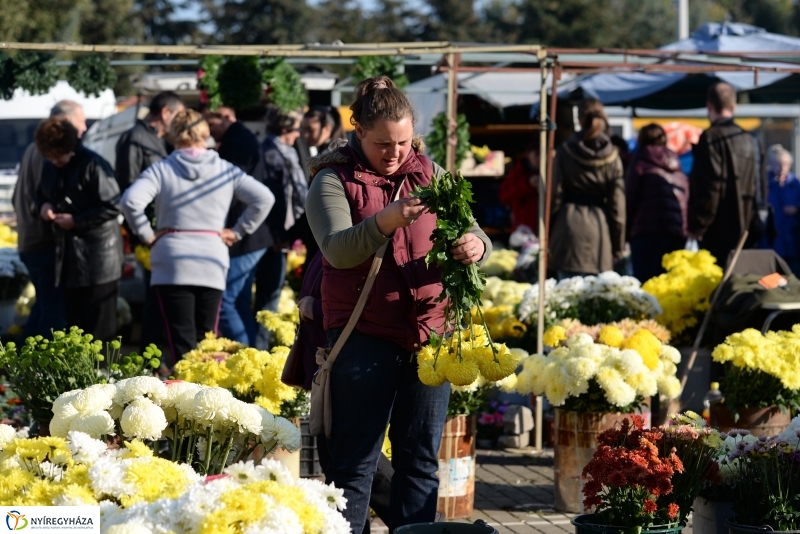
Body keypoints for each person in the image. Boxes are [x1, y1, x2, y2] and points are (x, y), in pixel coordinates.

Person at [305, 76, 493, 533]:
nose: (394, 153)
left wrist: (477, 246)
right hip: (363, 335)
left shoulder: (430, 173)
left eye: (403, 143)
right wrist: (384, 220)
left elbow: (473, 229)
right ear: (358, 130)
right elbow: (337, 250)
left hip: (431, 337)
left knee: (421, 462)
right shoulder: (332, 180)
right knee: (355, 465)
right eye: (383, 144)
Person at [120, 110, 274, 366]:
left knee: (180, 341)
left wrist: (146, 234)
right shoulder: (225, 169)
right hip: (211, 258)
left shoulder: (162, 169)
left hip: (171, 260)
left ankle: (184, 388)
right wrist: (237, 231)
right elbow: (264, 198)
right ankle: (205, 389)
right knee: (207, 340)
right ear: (205, 133)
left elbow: (130, 200)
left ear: (173, 135)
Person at [34, 117, 123, 341]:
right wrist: (43, 206)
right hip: (69, 261)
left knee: (100, 331)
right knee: (75, 331)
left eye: (58, 156)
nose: (54, 161)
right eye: (49, 157)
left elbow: (114, 205)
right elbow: (39, 195)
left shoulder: (94, 164)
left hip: (99, 260)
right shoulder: (49, 167)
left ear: (70, 147)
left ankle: (104, 366)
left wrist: (77, 220)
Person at [116, 91, 185, 355]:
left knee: (164, 299)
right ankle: (150, 358)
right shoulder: (134, 138)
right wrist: (143, 233)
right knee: (155, 300)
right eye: (177, 115)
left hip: (164, 232)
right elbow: (129, 189)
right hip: (149, 235)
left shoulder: (161, 141)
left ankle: (160, 356)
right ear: (165, 112)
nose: (179, 121)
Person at [13, 100, 85, 338]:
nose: (84, 127)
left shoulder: (32, 149)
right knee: (53, 313)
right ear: (64, 122)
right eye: (81, 121)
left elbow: (17, 197)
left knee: (44, 306)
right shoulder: (50, 152)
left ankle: (24, 357)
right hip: (43, 242)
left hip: (29, 240)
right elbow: (47, 197)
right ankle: (38, 360)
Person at [205, 107, 269, 346]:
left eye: (211, 124)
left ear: (225, 116)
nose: (209, 131)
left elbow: (228, 193)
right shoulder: (241, 137)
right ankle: (252, 355)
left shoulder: (236, 143)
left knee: (224, 303)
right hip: (253, 237)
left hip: (246, 238)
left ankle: (245, 354)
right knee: (239, 301)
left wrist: (236, 230)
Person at [550, 98, 625, 279]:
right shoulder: (613, 156)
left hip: (567, 228)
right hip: (599, 233)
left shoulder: (564, 151)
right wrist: (618, 247)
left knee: (566, 293)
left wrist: (550, 232)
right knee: (596, 294)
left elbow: (554, 196)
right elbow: (618, 208)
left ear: (579, 119)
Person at [688, 82, 759, 265]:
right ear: (734, 106)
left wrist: (698, 226)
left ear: (709, 105)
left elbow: (709, 187)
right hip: (748, 231)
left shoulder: (710, 137)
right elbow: (761, 187)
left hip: (718, 232)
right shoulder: (751, 139)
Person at [253, 107, 306, 323]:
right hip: (274, 238)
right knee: (269, 299)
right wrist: (282, 235)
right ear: (284, 128)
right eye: (296, 129)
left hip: (279, 236)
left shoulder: (282, 151)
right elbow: (277, 199)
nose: (298, 134)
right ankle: (262, 341)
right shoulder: (272, 154)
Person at [626, 123, 689, 282]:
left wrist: (625, 234)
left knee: (646, 287)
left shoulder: (639, 163)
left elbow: (629, 200)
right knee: (670, 287)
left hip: (645, 235)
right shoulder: (677, 165)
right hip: (675, 234)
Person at [766, 144, 800, 273]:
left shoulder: (795, 183)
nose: (782, 168)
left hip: (793, 241)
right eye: (778, 164)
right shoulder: (765, 184)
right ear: (771, 164)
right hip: (771, 240)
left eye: (786, 164)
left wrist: (797, 209)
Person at [498, 141, 539, 234]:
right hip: (524, 228)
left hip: (549, 226)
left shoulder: (553, 172)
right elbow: (504, 196)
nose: (540, 158)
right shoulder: (519, 173)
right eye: (537, 154)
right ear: (528, 155)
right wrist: (527, 184)